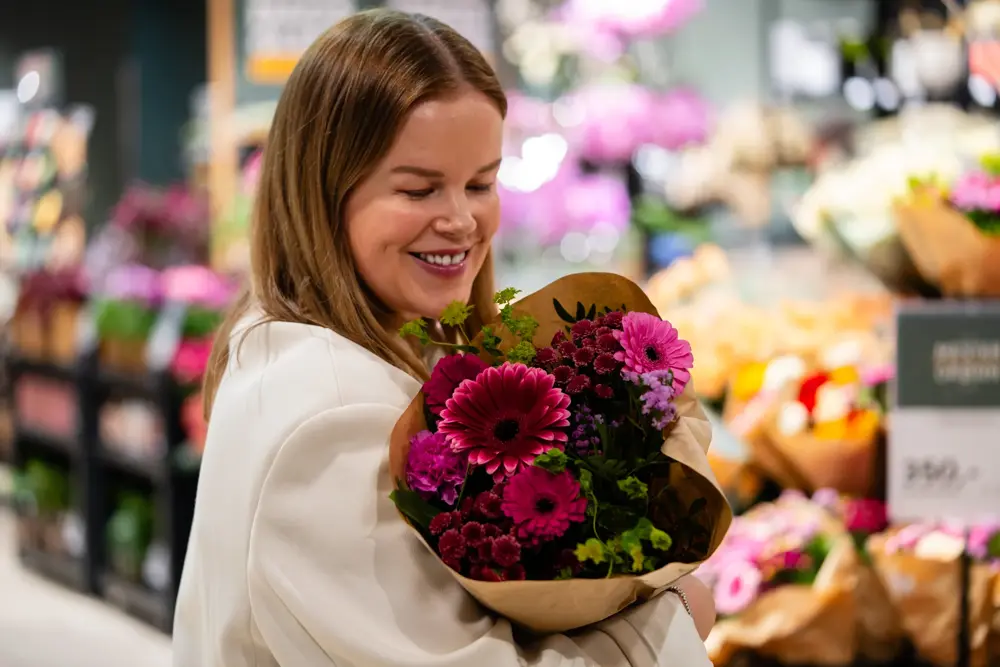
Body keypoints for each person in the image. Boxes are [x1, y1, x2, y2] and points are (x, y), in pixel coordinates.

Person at [172, 9, 716, 667]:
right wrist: (668, 621)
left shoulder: (317, 345)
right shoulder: (334, 415)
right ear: (324, 194)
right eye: (419, 188)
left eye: (480, 183)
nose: (461, 220)